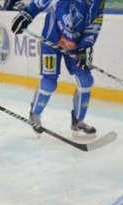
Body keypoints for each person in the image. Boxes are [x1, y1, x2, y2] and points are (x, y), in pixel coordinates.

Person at [10, 0, 103, 138]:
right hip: (51, 43)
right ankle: (35, 114)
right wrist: (26, 15)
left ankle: (78, 120)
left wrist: (87, 45)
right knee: (49, 82)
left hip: (76, 46)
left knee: (86, 80)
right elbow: (39, 4)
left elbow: (95, 22)